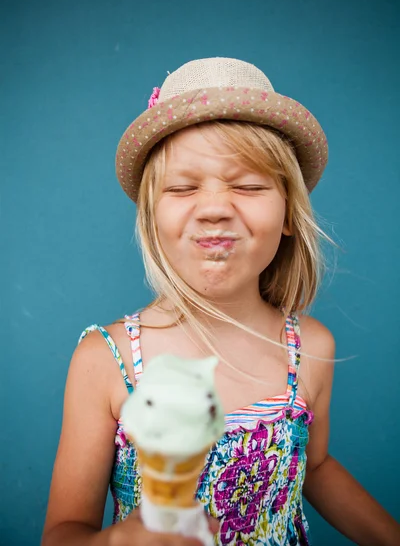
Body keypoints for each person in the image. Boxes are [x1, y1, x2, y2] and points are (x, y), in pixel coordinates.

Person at [42, 58, 400, 546]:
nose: (214, 209)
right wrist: (117, 541)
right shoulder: (107, 360)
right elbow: (63, 532)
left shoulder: (310, 348)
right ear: (151, 220)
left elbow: (314, 467)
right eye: (183, 188)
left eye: (249, 186)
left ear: (290, 215)